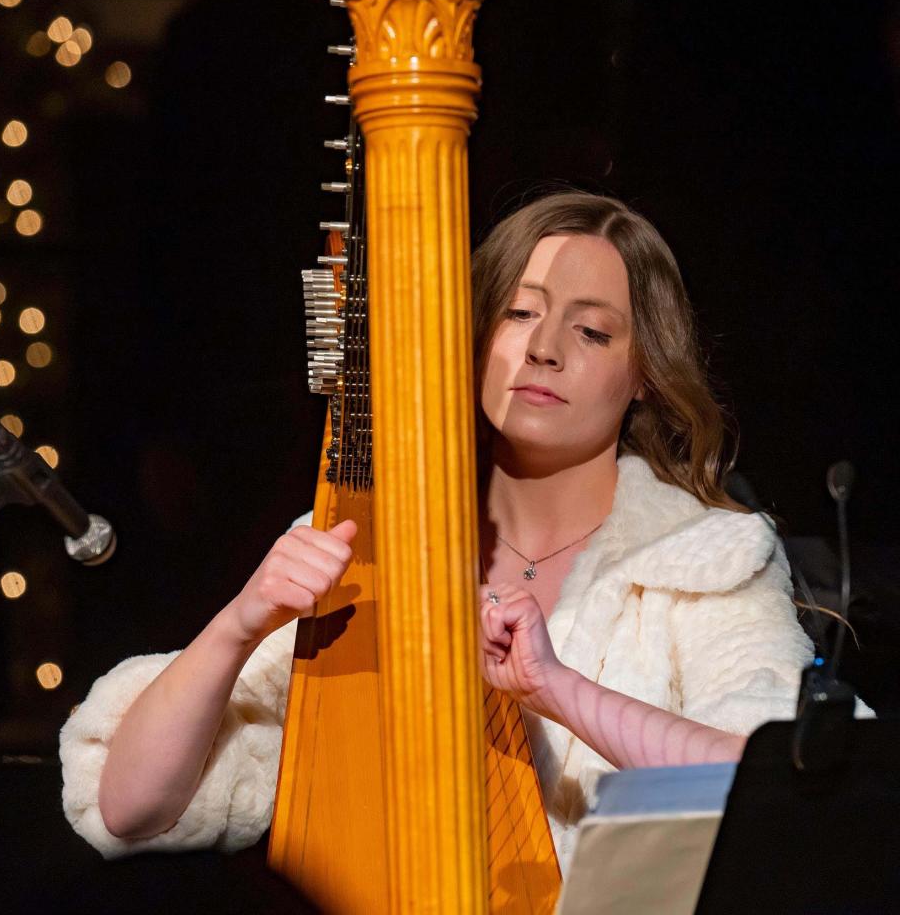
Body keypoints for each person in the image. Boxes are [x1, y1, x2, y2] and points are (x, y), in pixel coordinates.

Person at [59, 190, 824, 865]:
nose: (542, 349)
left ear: (646, 374)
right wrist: (237, 626)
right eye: (518, 314)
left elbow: (778, 787)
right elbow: (129, 809)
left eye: (591, 333)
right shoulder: (366, 545)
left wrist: (557, 690)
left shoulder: (704, 560)